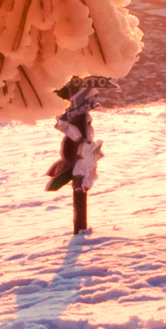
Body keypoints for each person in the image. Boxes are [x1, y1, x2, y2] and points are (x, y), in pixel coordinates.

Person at [45, 82, 103, 234]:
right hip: (79, 155)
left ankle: (81, 230)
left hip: (82, 156)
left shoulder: (82, 125)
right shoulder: (73, 127)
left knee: (81, 170)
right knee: (79, 170)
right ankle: (80, 229)